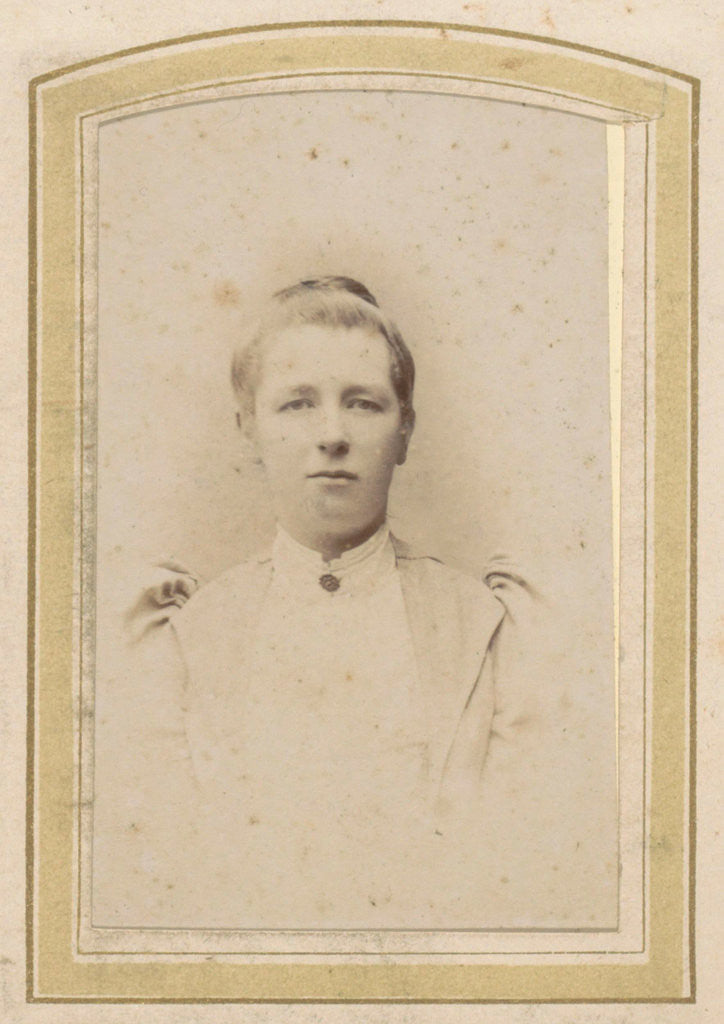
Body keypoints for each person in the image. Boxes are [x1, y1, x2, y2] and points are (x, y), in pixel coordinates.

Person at [92, 277, 617, 931]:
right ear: (248, 428)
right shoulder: (181, 638)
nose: (332, 435)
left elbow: (520, 870)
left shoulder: (491, 629)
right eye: (297, 405)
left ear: (405, 431)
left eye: (364, 404)